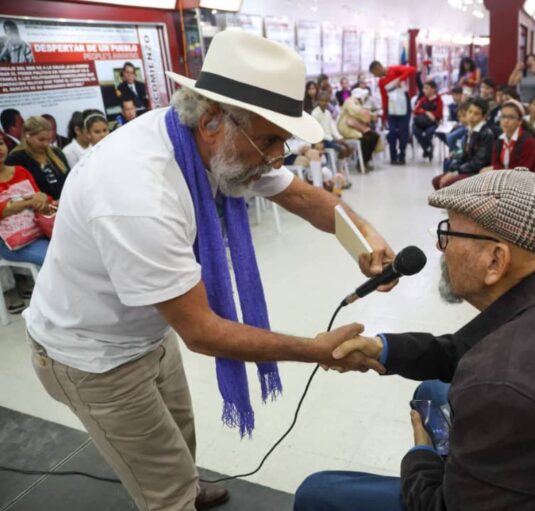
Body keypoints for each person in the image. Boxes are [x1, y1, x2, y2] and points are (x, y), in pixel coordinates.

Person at [23, 32, 393, 511]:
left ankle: (186, 482)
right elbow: (201, 331)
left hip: (146, 332)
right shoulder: (138, 193)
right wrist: (314, 350)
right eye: (269, 141)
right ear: (213, 120)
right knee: (165, 490)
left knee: (180, 437)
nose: (276, 157)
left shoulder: (203, 138)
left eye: (282, 142)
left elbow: (301, 196)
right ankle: (177, 495)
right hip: (92, 355)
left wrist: (366, 236)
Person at [295, 170, 535, 511]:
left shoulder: (503, 384)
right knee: (429, 390)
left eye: (448, 233)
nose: (439, 247)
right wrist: (382, 349)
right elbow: (467, 348)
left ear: (496, 260)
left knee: (317, 493)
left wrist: (421, 455)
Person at [0, 136, 52, 313]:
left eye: (0, 143)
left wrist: (42, 197)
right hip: (9, 243)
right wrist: (29, 201)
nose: (0, 149)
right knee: (54, 258)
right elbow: (2, 211)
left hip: (37, 231)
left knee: (73, 249)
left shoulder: (20, 171)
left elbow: (41, 197)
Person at [432, 98, 494, 190]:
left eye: (476, 114)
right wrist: (453, 169)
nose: (471, 116)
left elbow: (478, 163)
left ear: (483, 117)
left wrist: (456, 172)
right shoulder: (469, 130)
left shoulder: (486, 134)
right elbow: (464, 155)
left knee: (448, 183)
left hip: (477, 172)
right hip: (467, 169)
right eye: (470, 112)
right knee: (436, 181)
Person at [5, 116, 69, 200]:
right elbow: (15, 194)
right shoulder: (16, 159)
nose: (46, 144)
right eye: (41, 140)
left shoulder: (57, 153)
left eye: (49, 140)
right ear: (27, 136)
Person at [369, 60, 416, 165]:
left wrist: (399, 80)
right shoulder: (381, 82)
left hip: (404, 104)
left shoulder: (394, 69)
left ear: (378, 68)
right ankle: (393, 156)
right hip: (391, 107)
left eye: (375, 73)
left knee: (403, 131)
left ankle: (402, 155)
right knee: (392, 132)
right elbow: (384, 99)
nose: (375, 76)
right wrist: (384, 117)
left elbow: (412, 69)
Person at [482, 99, 535, 175]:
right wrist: (494, 169)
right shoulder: (499, 140)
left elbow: (521, 172)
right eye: (503, 116)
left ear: (520, 121)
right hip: (506, 178)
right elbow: (496, 164)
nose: (505, 121)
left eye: (511, 117)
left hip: (528, 180)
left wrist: (494, 169)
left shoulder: (528, 141)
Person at [338, 87, 381, 172]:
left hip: (355, 127)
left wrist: (372, 115)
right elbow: (357, 112)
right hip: (346, 128)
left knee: (374, 136)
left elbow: (363, 114)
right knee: (366, 139)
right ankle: (361, 164)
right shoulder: (349, 101)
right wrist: (370, 115)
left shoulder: (358, 103)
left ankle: (365, 161)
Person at [312, 92, 352, 159]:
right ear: (318, 101)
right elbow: (316, 131)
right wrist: (334, 140)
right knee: (343, 149)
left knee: (348, 147)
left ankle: (340, 163)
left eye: (326, 101)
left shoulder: (328, 113)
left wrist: (339, 138)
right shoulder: (315, 113)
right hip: (322, 141)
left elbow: (333, 128)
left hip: (330, 139)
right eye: (322, 100)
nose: (324, 103)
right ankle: (338, 165)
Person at [412, 80, 443, 161]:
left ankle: (426, 149)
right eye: (424, 88)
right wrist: (426, 112)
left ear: (433, 89)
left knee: (429, 132)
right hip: (421, 123)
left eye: (426, 88)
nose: (424, 90)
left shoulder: (439, 100)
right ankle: (428, 148)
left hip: (432, 123)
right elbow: (415, 110)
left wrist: (432, 115)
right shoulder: (423, 99)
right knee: (416, 131)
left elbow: (438, 114)